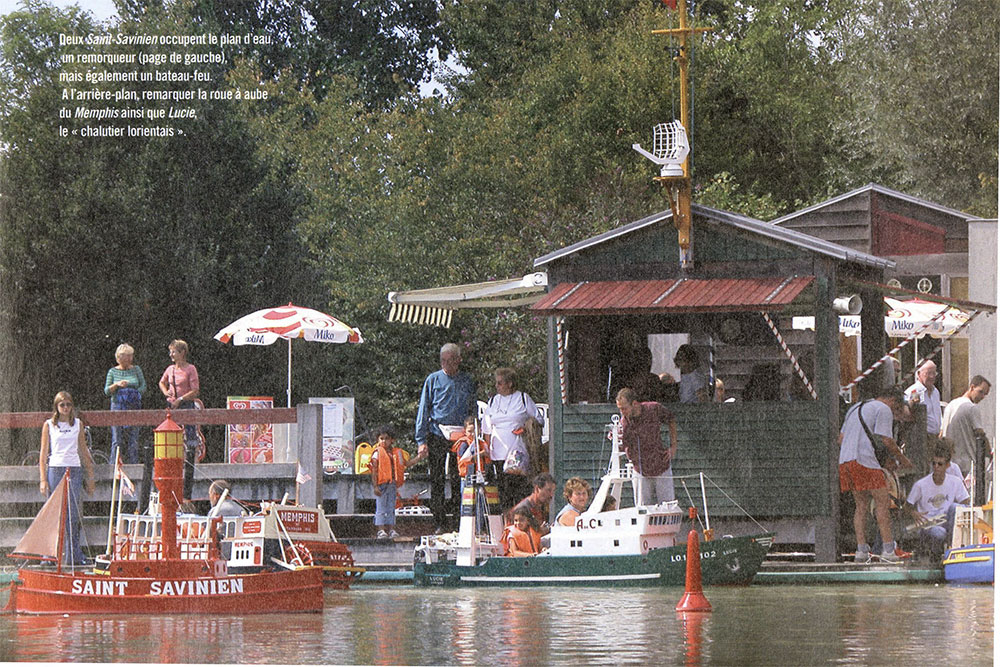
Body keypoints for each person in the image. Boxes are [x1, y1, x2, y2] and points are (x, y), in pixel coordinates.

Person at [838, 386, 913, 563]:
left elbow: (840, 439)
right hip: (864, 461)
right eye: (897, 409)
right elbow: (887, 440)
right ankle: (888, 550)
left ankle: (861, 550)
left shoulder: (854, 408)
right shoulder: (883, 409)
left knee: (861, 505)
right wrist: (902, 460)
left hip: (846, 461)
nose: (895, 414)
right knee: (882, 502)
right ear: (893, 402)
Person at [413, 343, 477, 533]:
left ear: (459, 360)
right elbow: (423, 409)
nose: (447, 364)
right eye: (443, 361)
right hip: (438, 433)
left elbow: (473, 408)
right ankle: (440, 522)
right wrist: (421, 440)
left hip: (461, 436)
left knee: (460, 478)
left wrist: (473, 431)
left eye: (450, 360)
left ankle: (460, 521)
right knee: (437, 479)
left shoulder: (467, 380)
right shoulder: (433, 380)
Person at [38, 391, 96, 566]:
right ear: (56, 407)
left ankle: (74, 554)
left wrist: (90, 476)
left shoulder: (77, 424)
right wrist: (42, 478)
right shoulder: (49, 425)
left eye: (68, 404)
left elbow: (84, 450)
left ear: (72, 407)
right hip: (55, 468)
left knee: (72, 513)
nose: (65, 408)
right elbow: (43, 454)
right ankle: (49, 555)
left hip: (74, 468)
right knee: (53, 512)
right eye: (62, 405)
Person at [484, 366, 543, 514]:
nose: (497, 386)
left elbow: (539, 419)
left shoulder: (522, 398)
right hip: (498, 454)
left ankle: (522, 521)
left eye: (500, 383)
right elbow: (486, 428)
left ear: (510, 383)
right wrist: (487, 450)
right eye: (496, 383)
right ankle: (506, 524)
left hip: (518, 454)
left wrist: (525, 428)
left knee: (518, 490)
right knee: (503, 492)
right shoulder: (493, 401)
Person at [904, 446, 970, 561]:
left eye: (940, 464)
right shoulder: (921, 485)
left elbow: (966, 503)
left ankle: (953, 548)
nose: (936, 467)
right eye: (934, 464)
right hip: (928, 524)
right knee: (939, 532)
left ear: (947, 465)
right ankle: (938, 554)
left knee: (955, 508)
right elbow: (907, 506)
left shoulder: (955, 482)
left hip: (947, 522)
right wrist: (914, 513)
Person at [615, 388, 678, 504]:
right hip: (640, 469)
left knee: (668, 507)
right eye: (619, 409)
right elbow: (618, 445)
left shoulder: (653, 408)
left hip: (661, 464)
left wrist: (673, 446)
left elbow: (671, 419)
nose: (622, 412)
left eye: (624, 408)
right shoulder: (624, 423)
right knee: (642, 509)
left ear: (634, 403)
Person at [158, 339, 200, 501]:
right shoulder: (170, 369)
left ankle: (191, 460)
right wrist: (166, 392)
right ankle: (173, 458)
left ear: (182, 353)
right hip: (172, 404)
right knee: (171, 431)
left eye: (174, 351)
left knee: (190, 432)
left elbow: (195, 390)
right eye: (170, 351)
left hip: (186, 403)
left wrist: (181, 398)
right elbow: (161, 382)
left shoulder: (191, 369)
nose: (171, 354)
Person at [940, 375, 991, 479]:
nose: (982, 397)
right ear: (972, 387)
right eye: (980, 392)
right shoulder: (972, 408)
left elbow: (941, 434)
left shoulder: (950, 405)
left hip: (949, 464)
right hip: (967, 465)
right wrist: (990, 454)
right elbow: (980, 435)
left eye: (985, 394)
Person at [104, 343, 147, 465]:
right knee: (117, 439)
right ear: (119, 358)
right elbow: (106, 391)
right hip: (117, 405)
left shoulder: (136, 370)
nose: (128, 359)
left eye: (130, 356)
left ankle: (134, 464)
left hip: (133, 405)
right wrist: (117, 385)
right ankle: (114, 465)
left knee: (133, 438)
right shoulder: (112, 372)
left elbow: (143, 386)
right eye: (125, 357)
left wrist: (135, 393)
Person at [369, 425, 413, 539]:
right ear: (378, 440)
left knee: (391, 507)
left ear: (392, 440)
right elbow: (374, 471)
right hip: (381, 484)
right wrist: (375, 486)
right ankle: (381, 530)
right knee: (381, 507)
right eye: (381, 438)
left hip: (392, 484)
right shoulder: (377, 453)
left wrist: (419, 457)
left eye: (386, 438)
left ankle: (391, 529)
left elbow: (406, 464)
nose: (384, 441)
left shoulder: (397, 452)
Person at [508, 472, 556, 536]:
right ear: (537, 489)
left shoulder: (540, 506)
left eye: (553, 491)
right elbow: (516, 536)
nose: (551, 495)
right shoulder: (522, 509)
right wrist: (539, 532)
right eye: (548, 490)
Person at [905, 360, 942, 441]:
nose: (932, 376)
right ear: (919, 374)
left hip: (935, 437)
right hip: (920, 438)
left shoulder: (935, 392)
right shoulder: (914, 391)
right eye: (928, 373)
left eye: (934, 373)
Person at [454, 416, 490, 489]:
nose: (473, 434)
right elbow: (464, 459)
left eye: (475, 431)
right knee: (467, 499)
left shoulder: (482, 443)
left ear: (480, 430)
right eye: (470, 431)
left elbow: (488, 457)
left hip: (481, 476)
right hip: (467, 478)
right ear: (465, 431)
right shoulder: (464, 444)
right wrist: (480, 454)